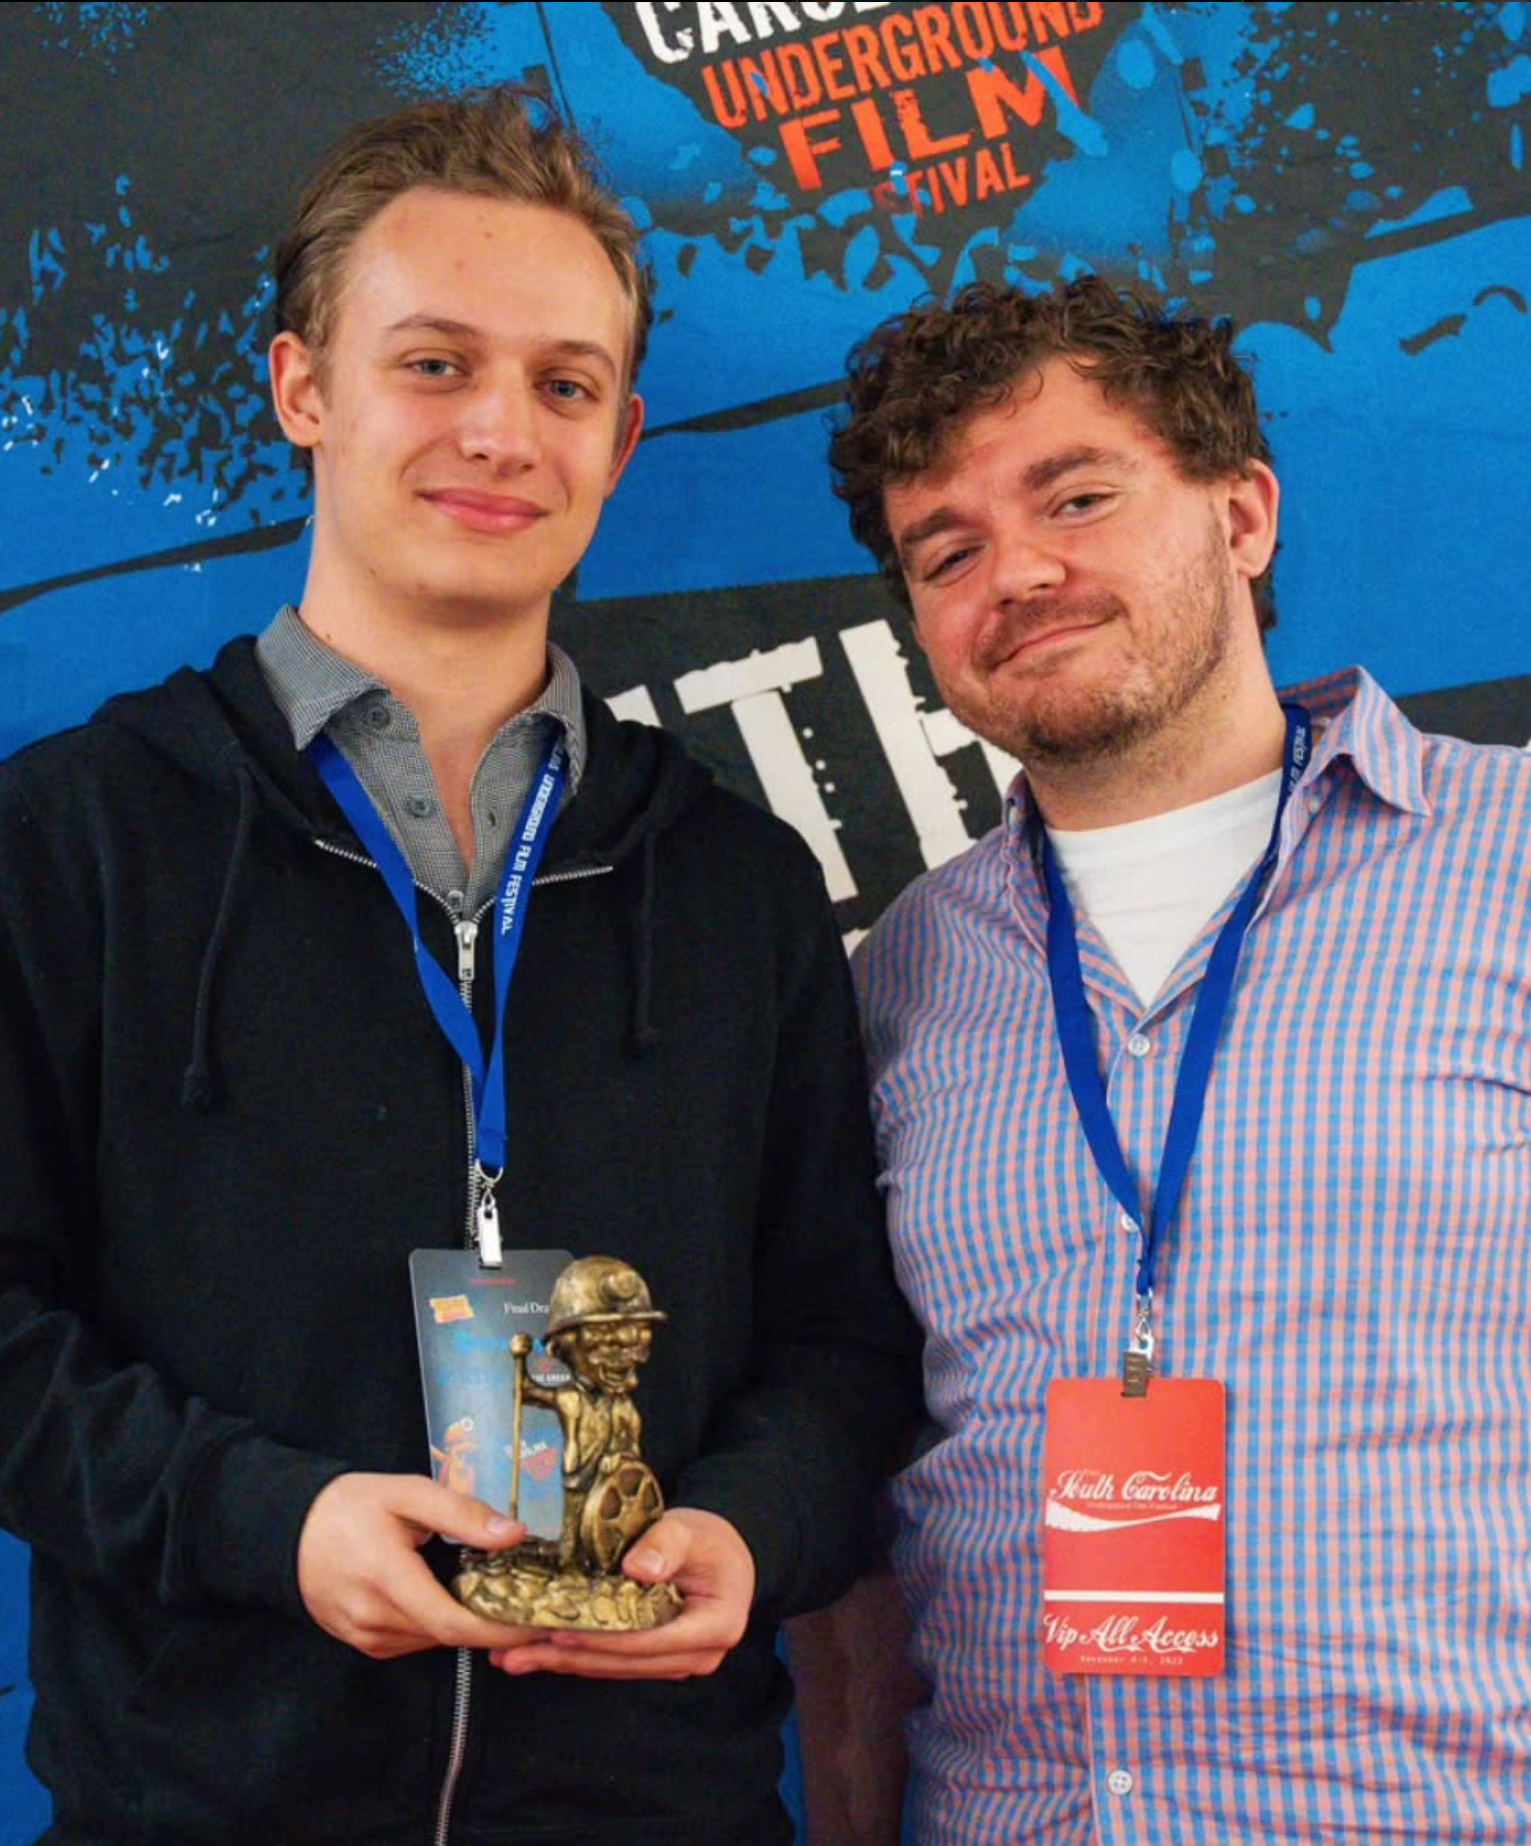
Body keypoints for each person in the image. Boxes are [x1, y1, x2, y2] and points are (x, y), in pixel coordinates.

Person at [0, 85, 918, 1846]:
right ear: (303, 390)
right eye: (435, 364)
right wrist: (267, 1519)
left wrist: (744, 1525)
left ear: (624, 436)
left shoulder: (738, 885)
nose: (503, 430)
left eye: (564, 384)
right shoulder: (79, 839)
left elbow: (842, 1347)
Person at [824, 275, 1531, 1842]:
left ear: (1244, 513)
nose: (1019, 570)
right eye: (948, 551)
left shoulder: (1516, 855)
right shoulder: (899, 977)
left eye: (1077, 494)